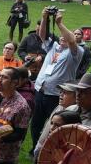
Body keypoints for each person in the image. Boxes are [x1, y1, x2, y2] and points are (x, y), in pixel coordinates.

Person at [29, 9, 84, 149]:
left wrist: (59, 23)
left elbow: (71, 40)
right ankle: (36, 146)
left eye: (65, 36)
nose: (62, 38)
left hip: (57, 95)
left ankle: (52, 149)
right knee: (36, 123)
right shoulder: (53, 47)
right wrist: (44, 16)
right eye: (61, 36)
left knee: (54, 124)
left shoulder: (76, 53)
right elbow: (42, 35)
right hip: (40, 91)